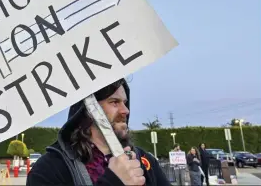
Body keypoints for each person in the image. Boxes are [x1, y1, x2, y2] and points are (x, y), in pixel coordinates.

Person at [26, 78, 172, 186]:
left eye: (125, 102)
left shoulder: (143, 160)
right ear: (89, 111)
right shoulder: (51, 168)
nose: (125, 110)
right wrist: (114, 181)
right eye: (114, 102)